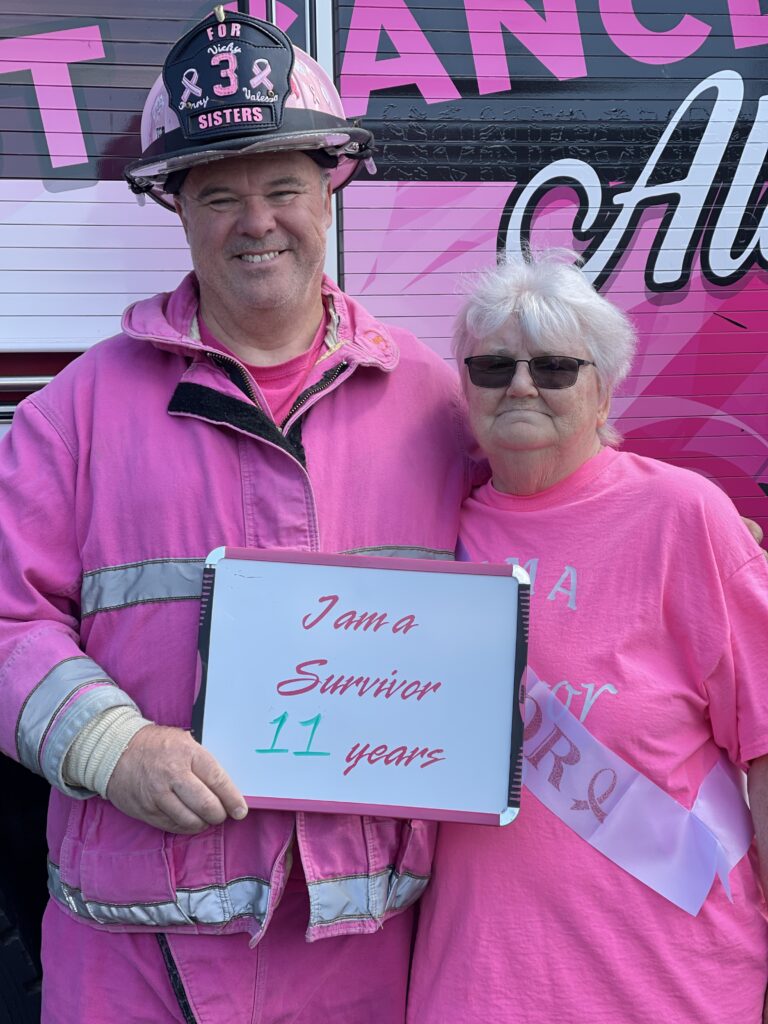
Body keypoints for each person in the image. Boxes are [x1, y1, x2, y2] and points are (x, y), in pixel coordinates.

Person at [0, 10, 474, 1023]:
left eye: (284, 187)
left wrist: (676, 536)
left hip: (363, 949)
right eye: (220, 194)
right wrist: (111, 748)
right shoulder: (72, 415)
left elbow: (554, 546)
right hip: (134, 953)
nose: (257, 221)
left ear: (330, 189)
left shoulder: (439, 403)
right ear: (176, 207)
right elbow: (5, 618)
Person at [407, 250, 768, 1024]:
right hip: (480, 987)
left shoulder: (684, 516)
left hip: (674, 987)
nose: (521, 386)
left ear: (603, 391)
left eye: (555, 367)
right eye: (493, 367)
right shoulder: (429, 531)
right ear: (464, 390)